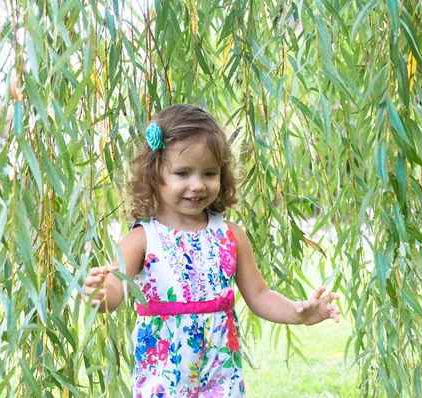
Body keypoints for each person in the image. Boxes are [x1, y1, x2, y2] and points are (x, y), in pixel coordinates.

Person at [81, 104, 340, 397]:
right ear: (154, 175)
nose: (197, 185)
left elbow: (259, 296)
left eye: (209, 173)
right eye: (182, 173)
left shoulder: (230, 235)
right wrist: (99, 294)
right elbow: (115, 293)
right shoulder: (142, 239)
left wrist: (298, 313)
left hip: (220, 373)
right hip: (166, 376)